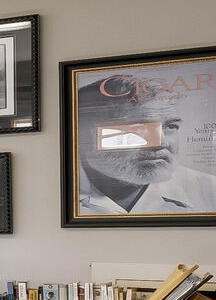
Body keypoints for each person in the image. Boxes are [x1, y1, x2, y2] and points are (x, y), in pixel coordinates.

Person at [75, 76, 216, 215]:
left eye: (170, 126)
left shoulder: (209, 190)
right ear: (83, 134)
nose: (162, 143)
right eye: (139, 128)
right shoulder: (56, 195)